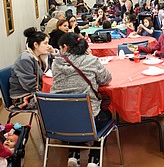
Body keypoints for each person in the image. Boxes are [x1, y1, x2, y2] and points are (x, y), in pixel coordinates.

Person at [50, 32, 112, 167]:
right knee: (104, 114)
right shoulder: (91, 60)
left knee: (73, 113)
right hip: (90, 121)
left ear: (65, 47)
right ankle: (94, 159)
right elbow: (106, 79)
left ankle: (73, 155)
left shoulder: (56, 63)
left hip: (60, 121)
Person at [9, 27, 55, 109]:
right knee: (57, 102)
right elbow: (30, 85)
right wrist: (45, 94)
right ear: (36, 45)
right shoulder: (25, 59)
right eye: (45, 43)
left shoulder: (41, 55)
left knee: (60, 96)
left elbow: (56, 65)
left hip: (37, 91)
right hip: (23, 96)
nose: (48, 46)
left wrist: (53, 52)